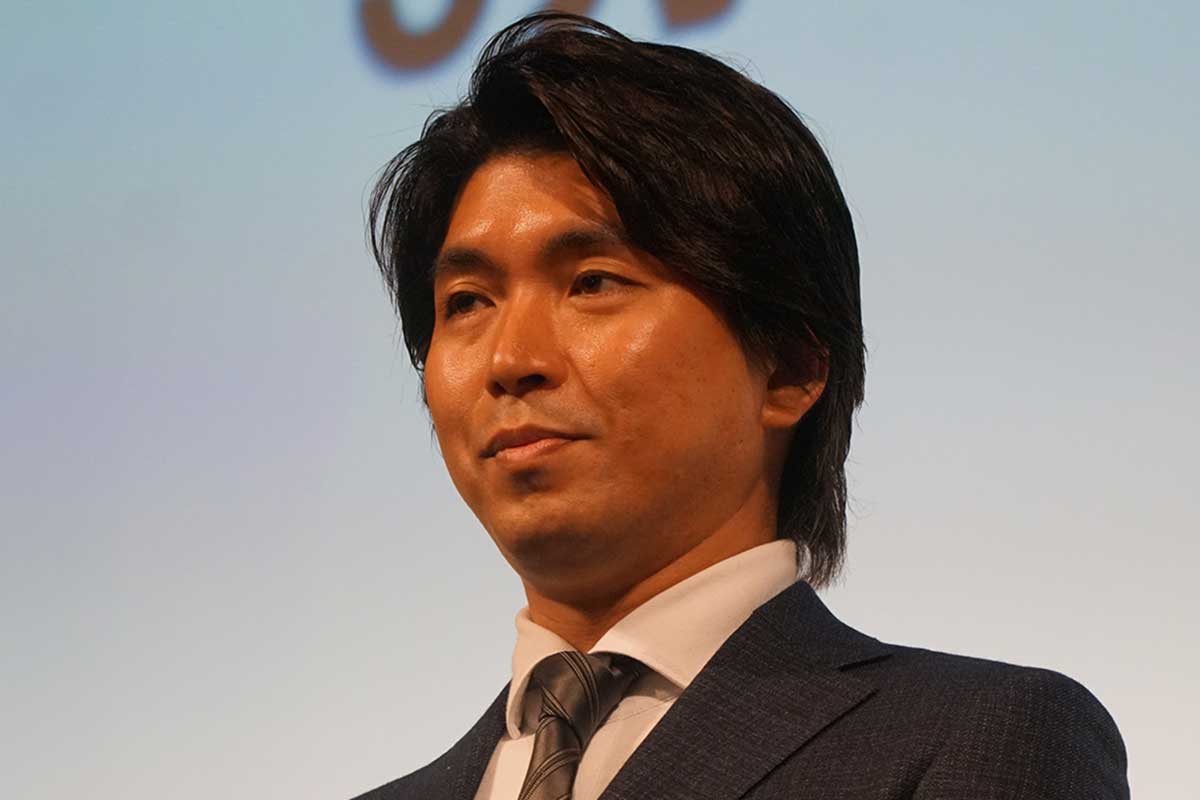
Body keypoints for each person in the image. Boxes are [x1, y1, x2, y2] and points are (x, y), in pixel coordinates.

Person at [352, 11, 1129, 800]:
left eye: (593, 282)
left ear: (788, 366)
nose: (511, 361)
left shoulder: (984, 738)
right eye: (467, 301)